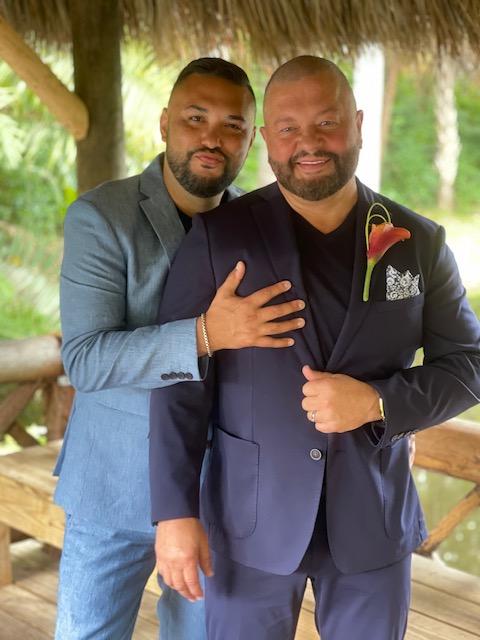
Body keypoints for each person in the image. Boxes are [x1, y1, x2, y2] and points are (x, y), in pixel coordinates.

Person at [149, 56, 480, 640]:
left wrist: (378, 402)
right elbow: (179, 382)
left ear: (356, 123)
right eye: (287, 128)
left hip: (373, 521)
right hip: (249, 520)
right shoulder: (218, 238)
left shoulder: (417, 242)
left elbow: (470, 366)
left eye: (326, 123)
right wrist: (175, 513)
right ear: (265, 139)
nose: (308, 143)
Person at [53, 57, 307, 640]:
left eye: (233, 125)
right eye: (196, 118)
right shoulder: (100, 216)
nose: (213, 138)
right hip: (113, 486)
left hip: (219, 493)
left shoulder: (263, 226)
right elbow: (86, 360)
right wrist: (204, 334)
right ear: (166, 122)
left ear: (252, 139)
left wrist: (384, 406)